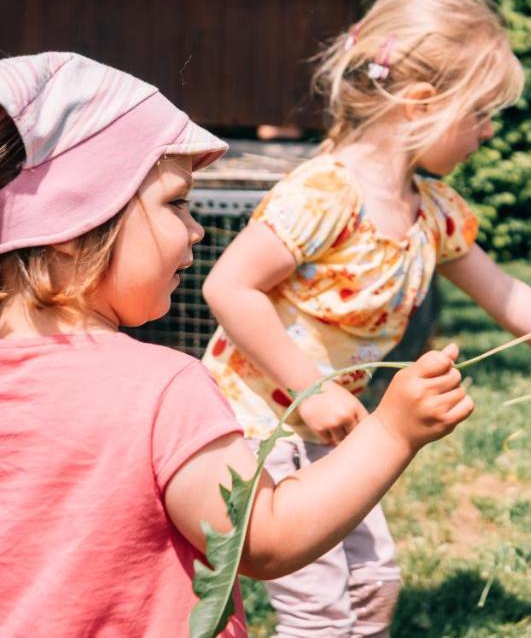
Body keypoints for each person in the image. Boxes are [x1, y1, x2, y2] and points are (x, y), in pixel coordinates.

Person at [0, 54, 474, 637]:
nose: (196, 230)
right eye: (176, 203)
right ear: (74, 227)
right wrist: (393, 430)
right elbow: (264, 538)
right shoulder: (161, 390)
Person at [200, 0, 531, 634]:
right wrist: (307, 389)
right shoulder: (323, 194)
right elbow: (228, 287)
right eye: (480, 114)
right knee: (318, 603)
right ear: (421, 104)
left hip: (332, 427)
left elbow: (504, 291)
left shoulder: (433, 211)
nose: (488, 132)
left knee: (373, 582)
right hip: (258, 423)